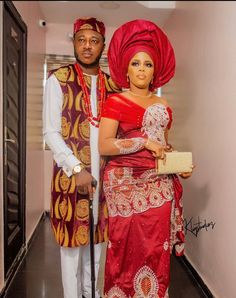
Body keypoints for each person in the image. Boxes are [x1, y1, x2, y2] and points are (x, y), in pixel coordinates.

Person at [98, 19, 193, 298]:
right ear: (125, 69)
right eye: (136, 63)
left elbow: (163, 144)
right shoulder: (115, 102)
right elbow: (105, 145)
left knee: (155, 250)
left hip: (159, 185)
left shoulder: (163, 105)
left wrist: (179, 164)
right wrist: (143, 141)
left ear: (155, 72)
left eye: (148, 64)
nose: (141, 69)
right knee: (123, 250)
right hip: (122, 185)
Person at [43, 17, 120, 298]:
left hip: (105, 177)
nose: (87, 46)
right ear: (74, 43)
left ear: (103, 46)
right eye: (81, 40)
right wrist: (76, 169)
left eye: (94, 41)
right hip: (70, 177)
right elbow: (51, 132)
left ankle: (92, 293)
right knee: (71, 248)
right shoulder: (58, 79)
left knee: (98, 243)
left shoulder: (113, 86)